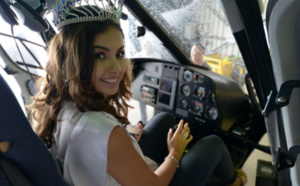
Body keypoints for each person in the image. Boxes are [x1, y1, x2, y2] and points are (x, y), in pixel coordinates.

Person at [28, 1, 247, 185]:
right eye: (100, 56)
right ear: (74, 61)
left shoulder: (60, 105)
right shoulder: (104, 132)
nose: (116, 67)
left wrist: (126, 139)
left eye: (120, 53)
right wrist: (175, 153)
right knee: (213, 145)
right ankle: (236, 180)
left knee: (165, 118)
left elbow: (98, 147)